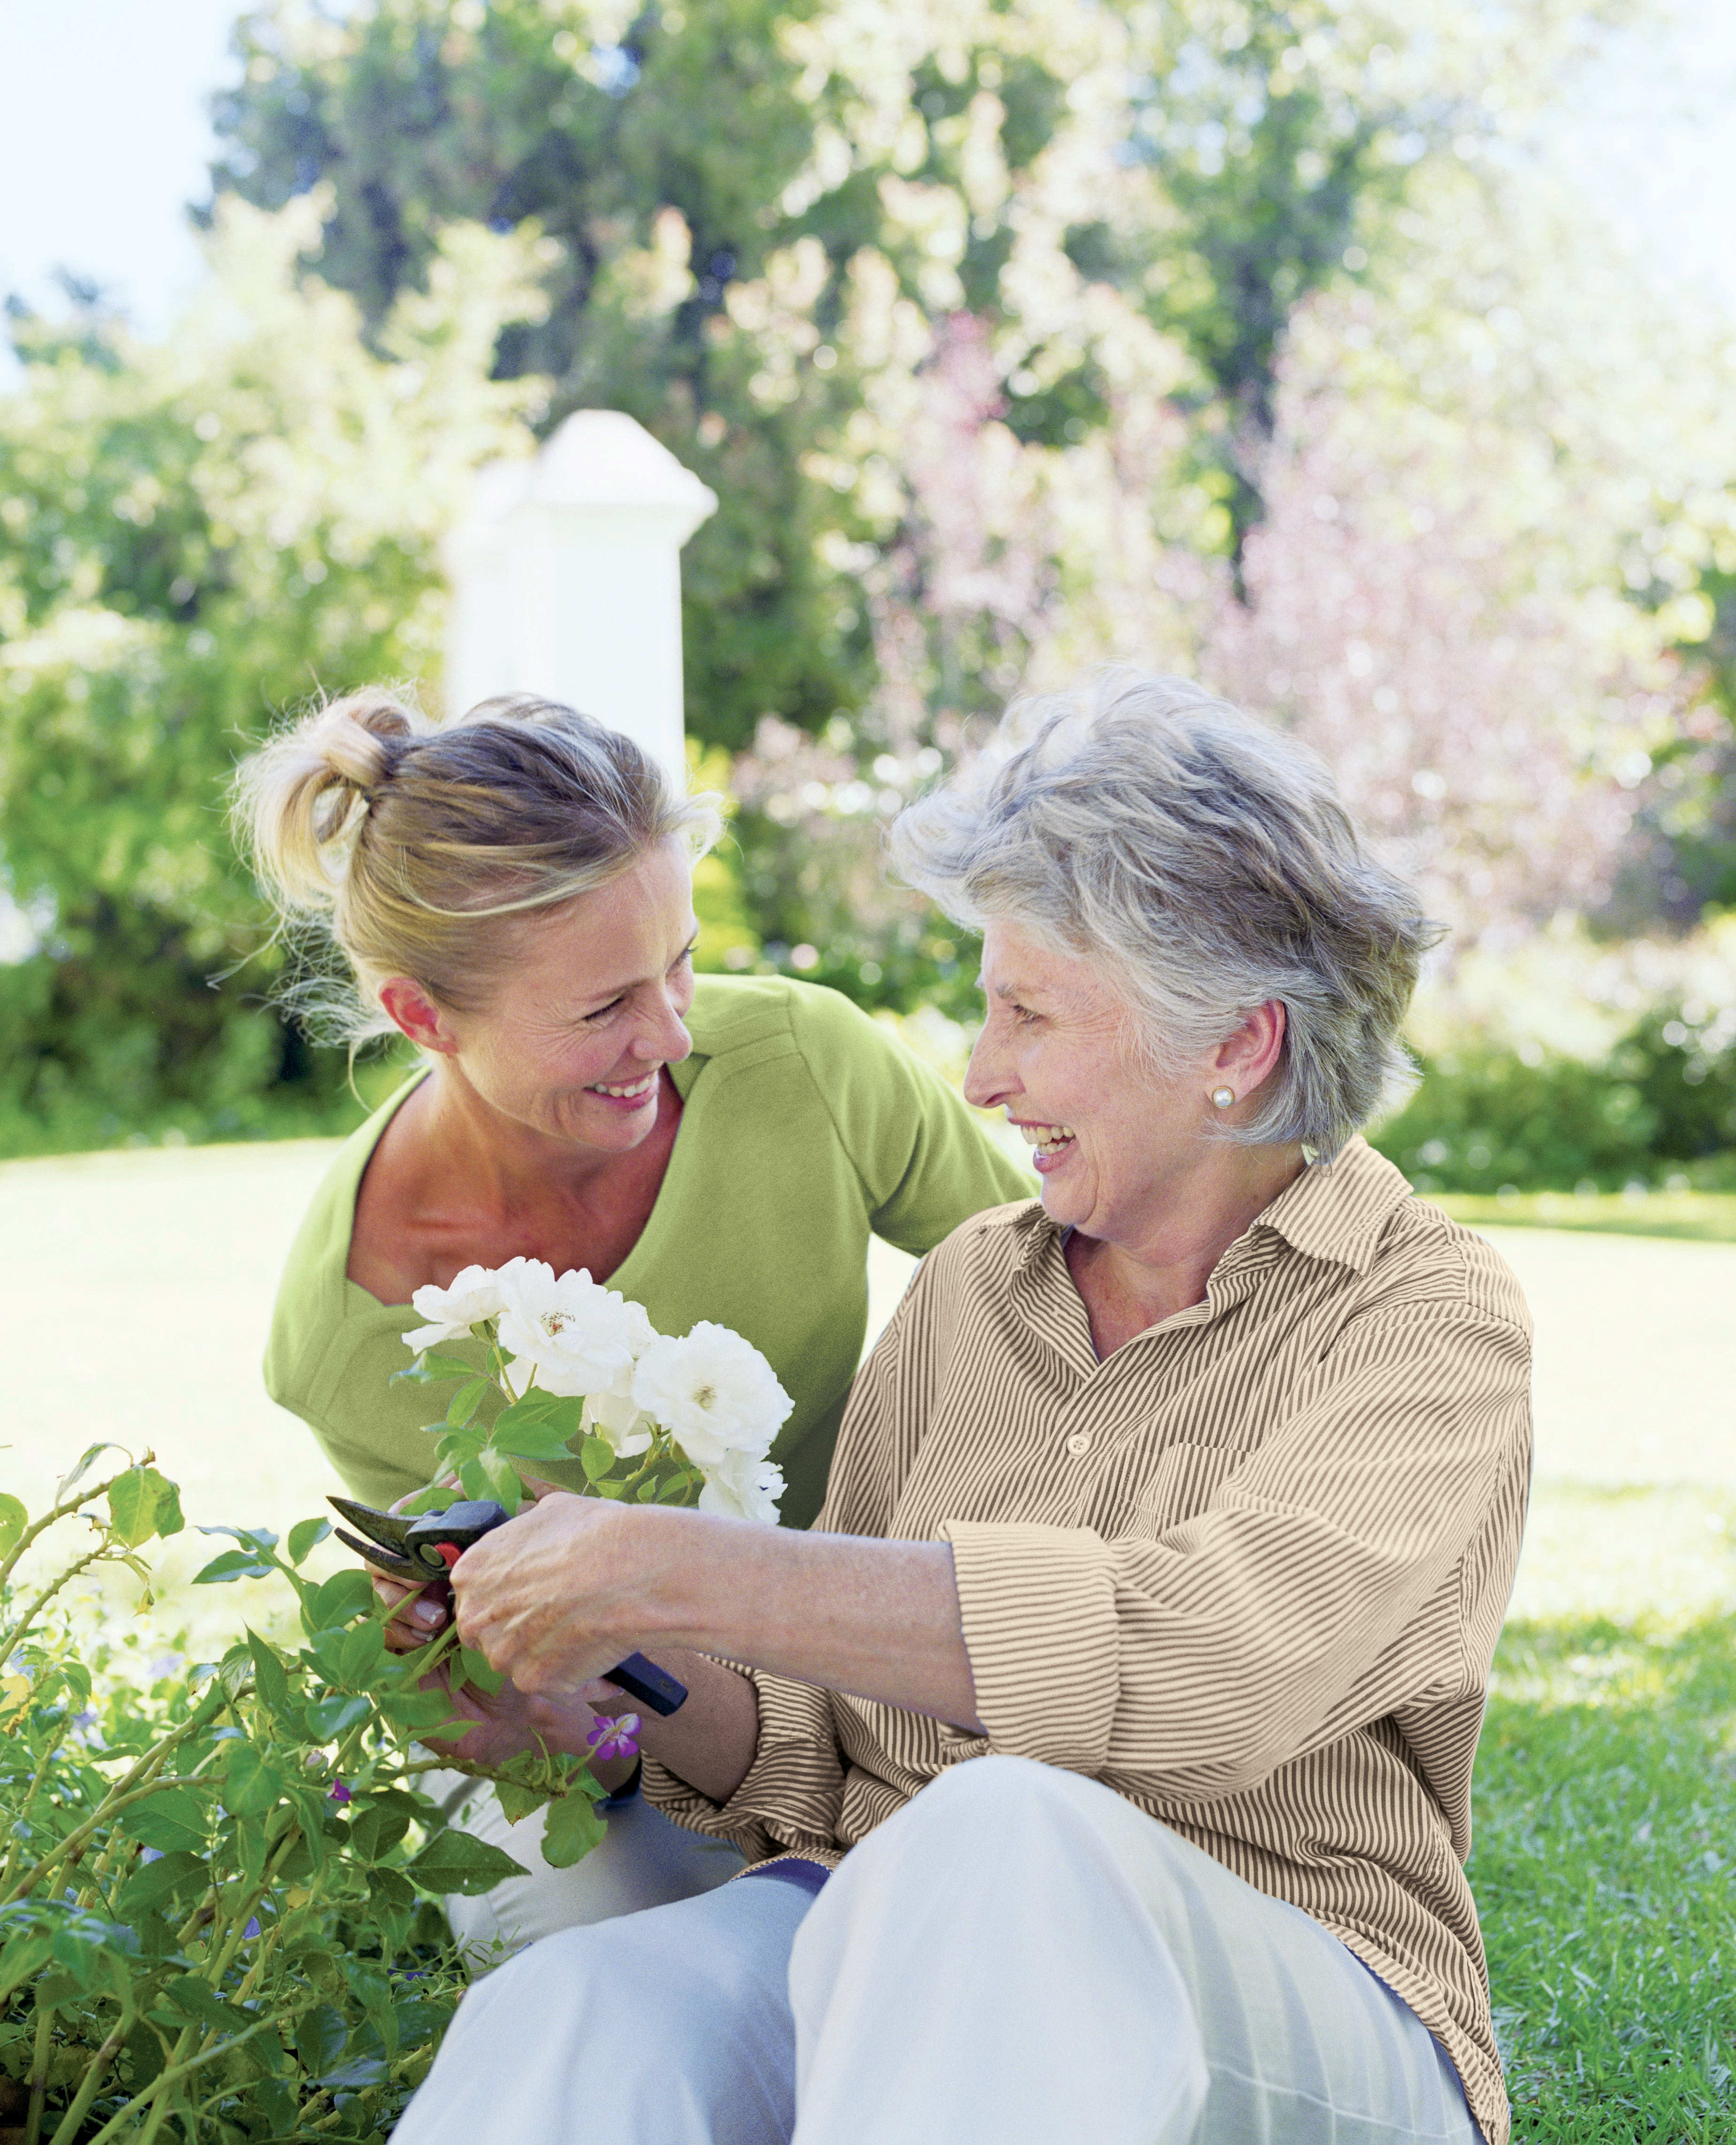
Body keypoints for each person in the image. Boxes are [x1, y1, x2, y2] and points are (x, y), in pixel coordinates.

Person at [393, 668, 1531, 2145]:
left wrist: (679, 1562)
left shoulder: (1420, 1315)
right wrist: (604, 1687)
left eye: (1030, 1014)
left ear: (1233, 1048)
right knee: (580, 2010)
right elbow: (820, 1745)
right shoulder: (970, 1290)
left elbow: (1209, 1672)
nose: (983, 1076)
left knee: (1005, 1832)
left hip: (1303, 1986)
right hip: (894, 1942)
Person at [234, 687, 1032, 1952]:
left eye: (680, 963)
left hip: (895, 1651)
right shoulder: (352, 1332)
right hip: (653, 1735)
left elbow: (1078, 1302)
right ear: (422, 1018)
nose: (667, 1036)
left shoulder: (800, 1063)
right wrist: (522, 1728)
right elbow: (548, 1723)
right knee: (603, 1957)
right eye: (602, 1007)